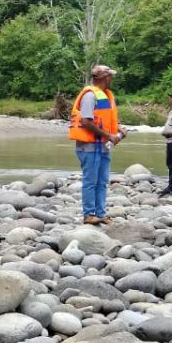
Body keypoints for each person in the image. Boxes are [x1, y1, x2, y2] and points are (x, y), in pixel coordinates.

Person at [68, 65, 126, 225]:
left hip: (102, 146)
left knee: (101, 182)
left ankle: (100, 213)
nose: (111, 79)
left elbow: (105, 120)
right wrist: (109, 135)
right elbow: (86, 121)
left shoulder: (105, 95)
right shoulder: (90, 96)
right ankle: (89, 215)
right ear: (105, 78)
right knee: (90, 182)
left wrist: (117, 129)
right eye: (110, 76)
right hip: (89, 147)